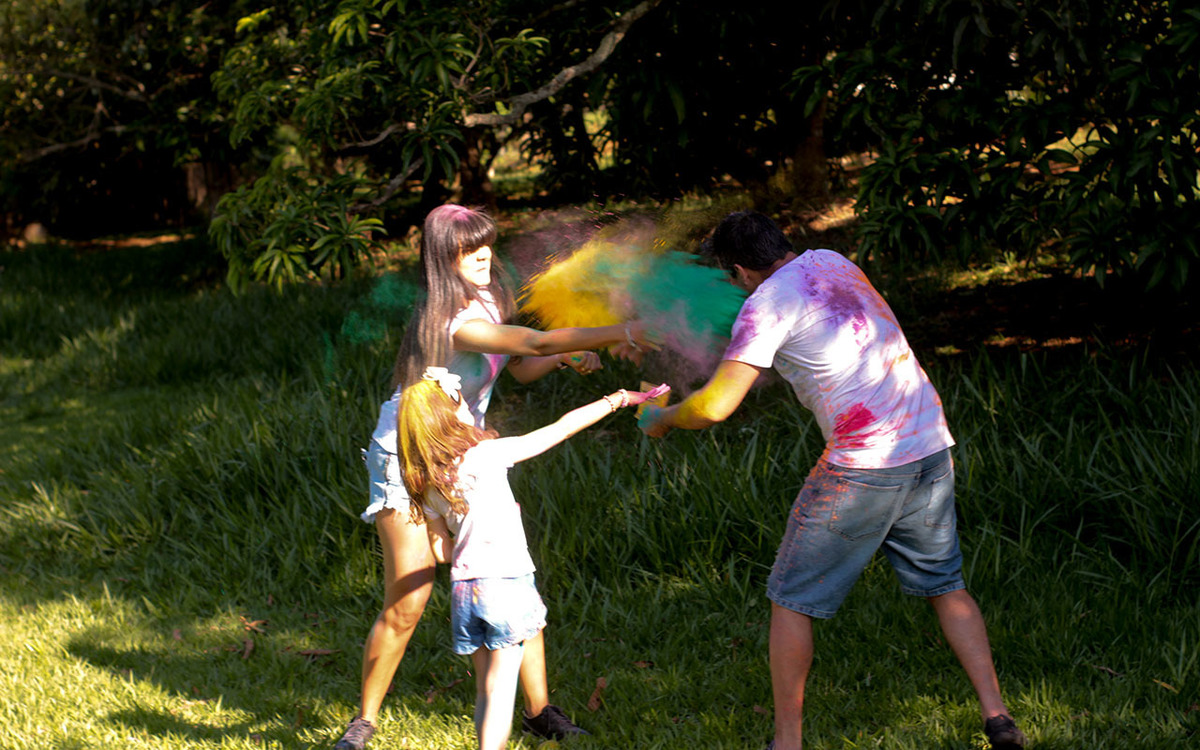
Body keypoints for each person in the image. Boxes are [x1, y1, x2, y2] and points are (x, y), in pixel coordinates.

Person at [637, 211, 1027, 750]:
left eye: (732, 276)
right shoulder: (831, 261)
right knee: (946, 584)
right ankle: (998, 718)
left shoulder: (764, 304)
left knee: (790, 599)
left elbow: (715, 407)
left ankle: (787, 742)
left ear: (741, 271)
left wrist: (662, 418)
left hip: (865, 466)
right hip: (929, 445)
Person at [335, 204, 659, 750]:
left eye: (486, 243)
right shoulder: (449, 320)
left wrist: (567, 357)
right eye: (467, 250)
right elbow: (532, 343)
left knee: (509, 571)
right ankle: (363, 722)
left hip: (465, 453)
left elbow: (523, 364)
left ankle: (539, 713)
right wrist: (621, 331)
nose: (483, 255)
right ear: (442, 259)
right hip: (408, 455)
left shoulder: (489, 298)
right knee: (408, 599)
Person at [399, 367, 666, 750]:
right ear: (451, 418)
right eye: (462, 405)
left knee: (486, 688)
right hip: (504, 583)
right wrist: (618, 399)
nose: (469, 409)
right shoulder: (486, 454)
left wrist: (474, 534)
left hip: (465, 591)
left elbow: (442, 552)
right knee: (501, 688)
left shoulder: (428, 484)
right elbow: (561, 428)